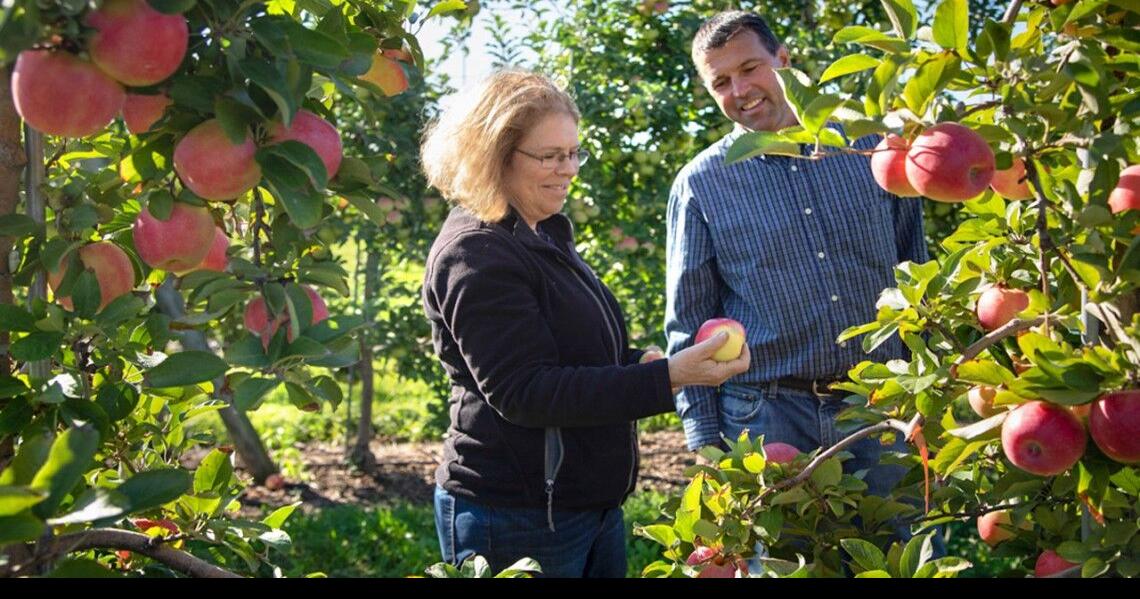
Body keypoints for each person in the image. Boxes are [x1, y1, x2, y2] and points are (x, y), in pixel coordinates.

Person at [420, 70, 750, 578]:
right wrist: (669, 378)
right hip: (517, 515)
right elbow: (525, 391)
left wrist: (636, 363)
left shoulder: (541, 232)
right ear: (494, 153)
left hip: (582, 508)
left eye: (574, 153)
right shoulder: (478, 252)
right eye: (550, 156)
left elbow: (567, 350)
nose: (569, 169)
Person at [665, 11, 928, 503]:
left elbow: (916, 266)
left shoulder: (870, 149)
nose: (739, 90)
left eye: (749, 69)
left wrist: (929, 388)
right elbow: (689, 322)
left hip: (881, 405)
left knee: (895, 547)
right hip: (768, 416)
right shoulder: (701, 185)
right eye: (720, 81)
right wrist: (705, 442)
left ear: (784, 61)